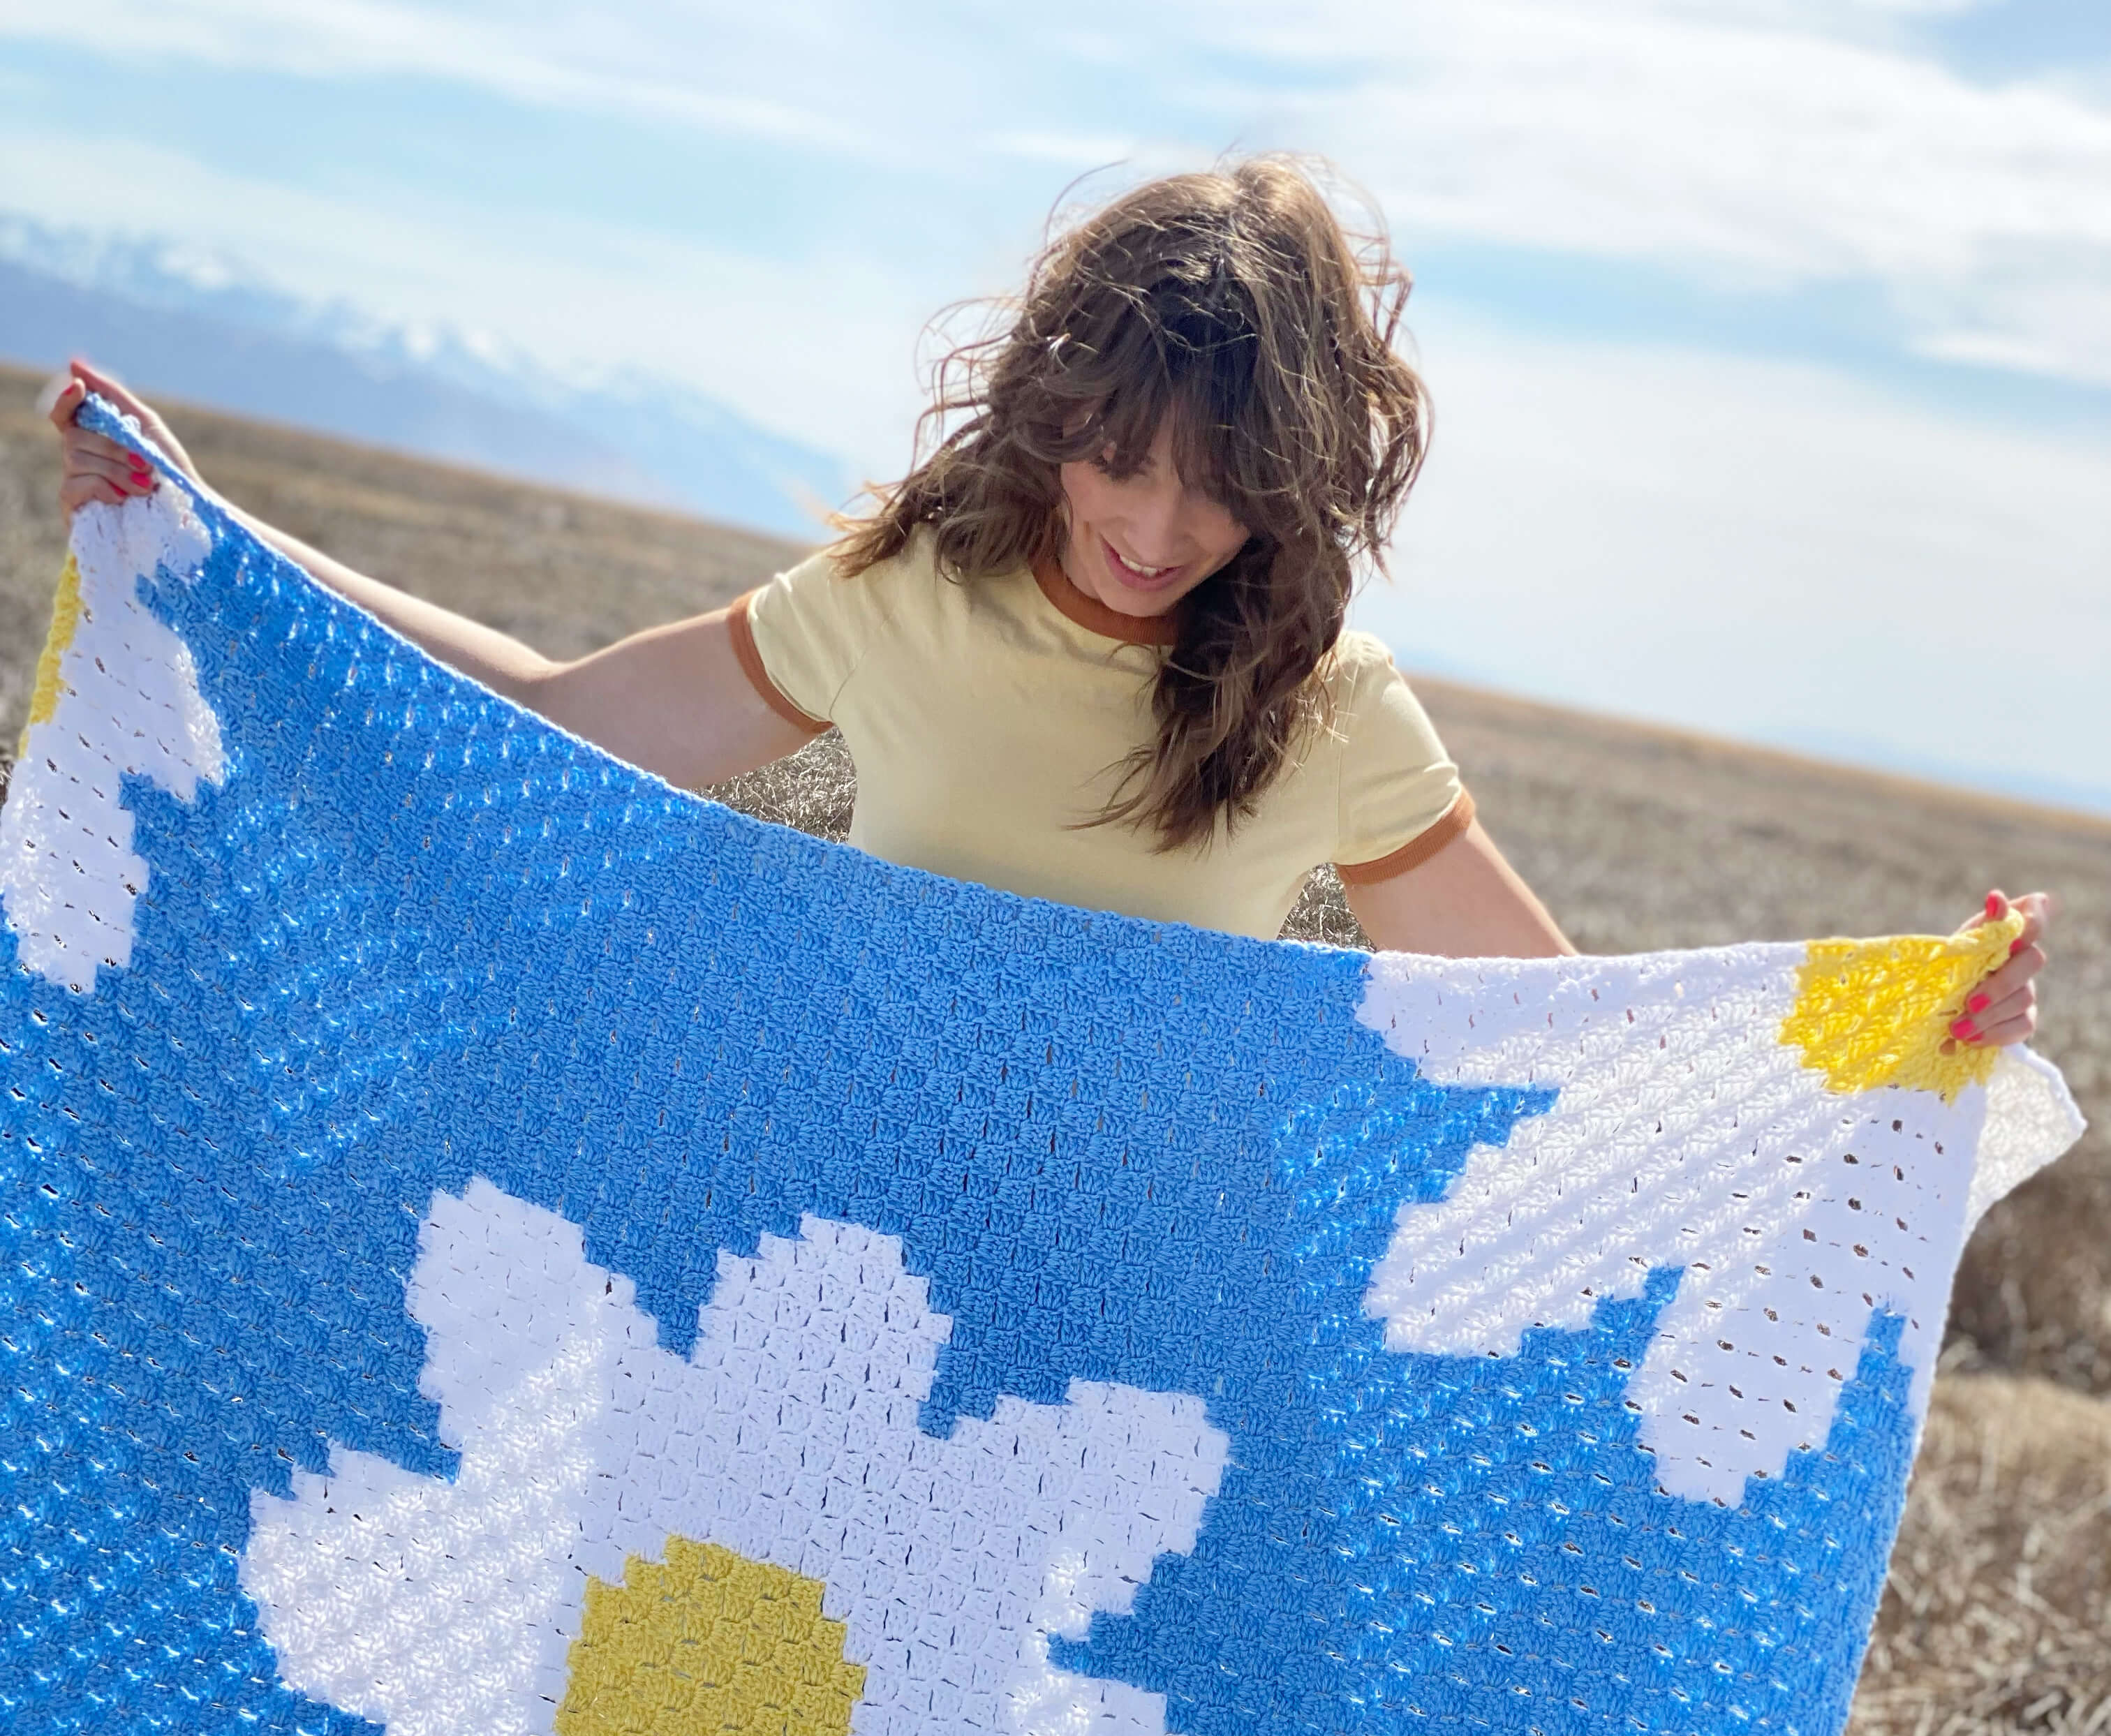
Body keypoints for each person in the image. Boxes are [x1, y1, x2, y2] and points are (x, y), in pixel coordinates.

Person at [49, 157, 2046, 1037]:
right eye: (1119, 452)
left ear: (1296, 488)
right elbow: (563, 724)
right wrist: (227, 536)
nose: (1155, 526)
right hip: (843, 1247)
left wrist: (1893, 1017)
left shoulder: (1338, 710)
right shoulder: (914, 596)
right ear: (1053, 407)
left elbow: (1573, 1023)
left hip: (1164, 1338)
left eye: (1223, 486)